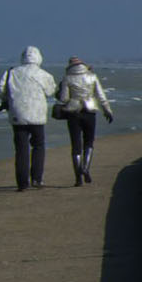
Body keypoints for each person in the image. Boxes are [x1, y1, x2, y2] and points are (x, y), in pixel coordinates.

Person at [0, 45, 58, 191]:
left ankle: (22, 183)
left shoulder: (11, 72)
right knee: (38, 146)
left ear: (22, 57)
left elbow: (0, 90)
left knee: (21, 149)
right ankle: (37, 179)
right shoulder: (44, 74)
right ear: (38, 58)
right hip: (37, 116)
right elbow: (51, 91)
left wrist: (9, 99)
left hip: (18, 115)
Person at [55, 56, 115, 185]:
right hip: (90, 111)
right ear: (83, 65)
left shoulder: (67, 78)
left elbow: (64, 98)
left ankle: (78, 177)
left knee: (75, 145)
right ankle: (86, 168)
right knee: (89, 142)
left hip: (73, 113)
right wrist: (107, 110)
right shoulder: (92, 76)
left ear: (70, 66)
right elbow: (100, 95)